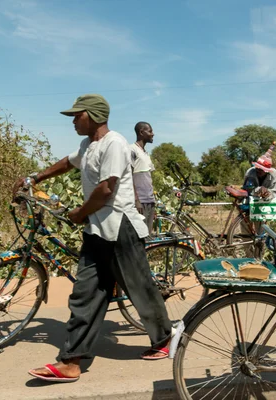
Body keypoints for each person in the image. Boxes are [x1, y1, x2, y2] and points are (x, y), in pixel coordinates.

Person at [15, 94, 173, 383]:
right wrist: (35, 178)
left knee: (140, 289)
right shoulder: (89, 145)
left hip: (120, 227)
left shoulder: (115, 143)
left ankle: (166, 339)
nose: (74, 120)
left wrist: (79, 213)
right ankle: (71, 362)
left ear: (95, 116)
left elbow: (106, 189)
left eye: (78, 115)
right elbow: (67, 163)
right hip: (97, 230)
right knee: (85, 294)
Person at [131, 121, 156, 234]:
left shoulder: (145, 153)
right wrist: (136, 200)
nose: (153, 134)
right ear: (141, 132)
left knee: (147, 235)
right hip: (140, 201)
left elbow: (148, 179)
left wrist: (153, 201)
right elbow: (129, 176)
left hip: (149, 201)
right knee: (139, 235)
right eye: (150, 131)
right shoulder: (132, 150)